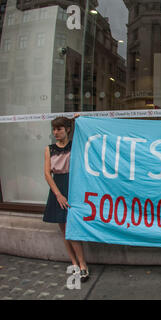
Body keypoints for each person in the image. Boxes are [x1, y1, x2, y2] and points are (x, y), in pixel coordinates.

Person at [43, 116, 89, 282]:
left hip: (74, 185)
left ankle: (83, 264)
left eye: (59, 129)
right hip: (58, 187)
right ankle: (74, 263)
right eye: (54, 129)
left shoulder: (74, 146)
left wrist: (76, 120)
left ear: (67, 129)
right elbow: (48, 174)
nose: (56, 132)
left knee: (73, 228)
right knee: (64, 230)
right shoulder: (49, 149)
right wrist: (58, 194)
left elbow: (84, 134)